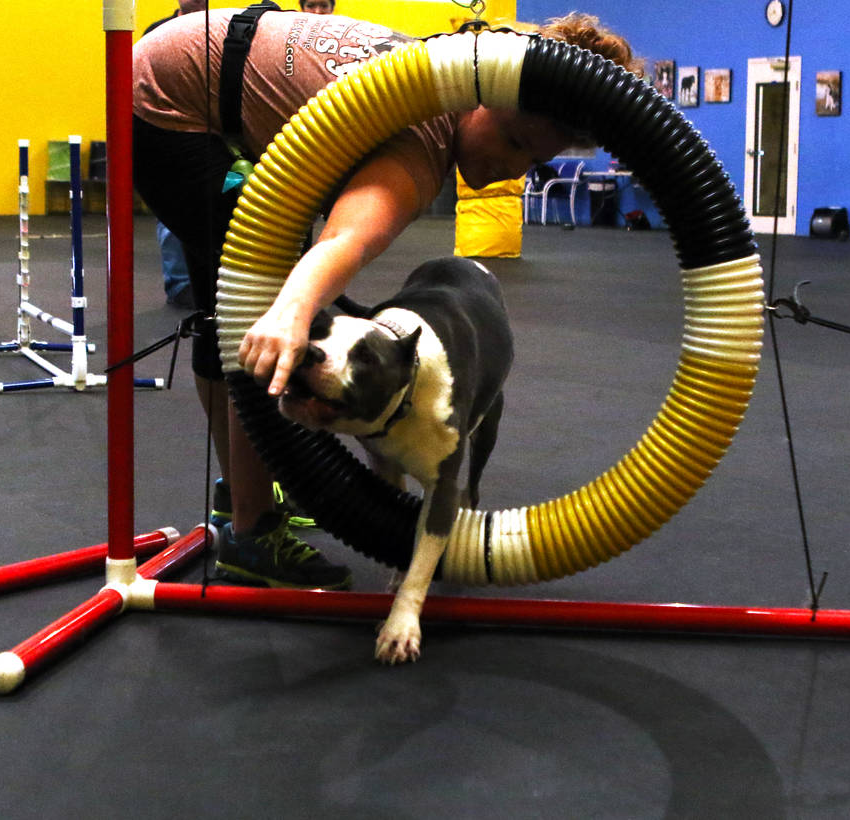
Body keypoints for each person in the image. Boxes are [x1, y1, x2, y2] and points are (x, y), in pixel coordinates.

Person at [133, 9, 641, 589]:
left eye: (534, 161)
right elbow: (346, 240)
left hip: (183, 68)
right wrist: (290, 311)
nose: (513, 168)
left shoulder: (436, 78)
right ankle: (251, 531)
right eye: (513, 140)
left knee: (228, 308)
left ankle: (238, 499)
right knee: (256, 300)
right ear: (484, 95)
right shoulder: (423, 138)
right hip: (170, 105)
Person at [142, 0, 209, 309]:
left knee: (214, 210)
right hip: (166, 130)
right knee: (171, 213)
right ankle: (180, 284)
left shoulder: (219, 27)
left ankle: (212, 282)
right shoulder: (156, 32)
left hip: (210, 132)